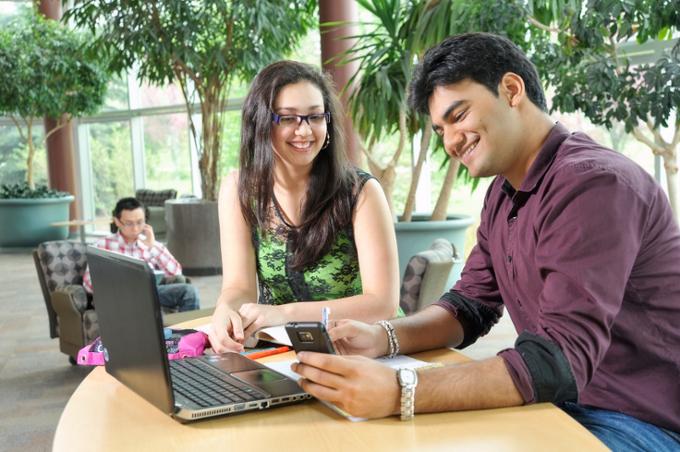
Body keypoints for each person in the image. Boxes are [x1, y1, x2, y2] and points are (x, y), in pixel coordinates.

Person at [291, 33, 680, 450]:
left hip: (639, 419)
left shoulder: (593, 185)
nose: (451, 141)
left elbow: (556, 362)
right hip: (558, 406)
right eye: (441, 129)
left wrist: (400, 388)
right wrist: (382, 337)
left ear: (511, 90)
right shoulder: (503, 193)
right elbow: (469, 307)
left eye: (458, 116)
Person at [208, 61, 399, 353]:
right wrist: (225, 311)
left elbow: (382, 303)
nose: (304, 131)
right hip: (291, 351)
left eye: (314, 117)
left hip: (366, 351)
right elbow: (239, 288)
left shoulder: (361, 191)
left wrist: (285, 314)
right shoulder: (238, 190)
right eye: (288, 118)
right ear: (260, 123)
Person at [83, 197, 200, 313]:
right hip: (121, 296)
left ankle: (187, 331)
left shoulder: (150, 243)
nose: (135, 228)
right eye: (129, 223)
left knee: (189, 291)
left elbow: (176, 273)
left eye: (140, 222)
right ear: (117, 221)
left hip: (149, 293)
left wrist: (152, 246)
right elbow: (88, 283)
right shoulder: (102, 245)